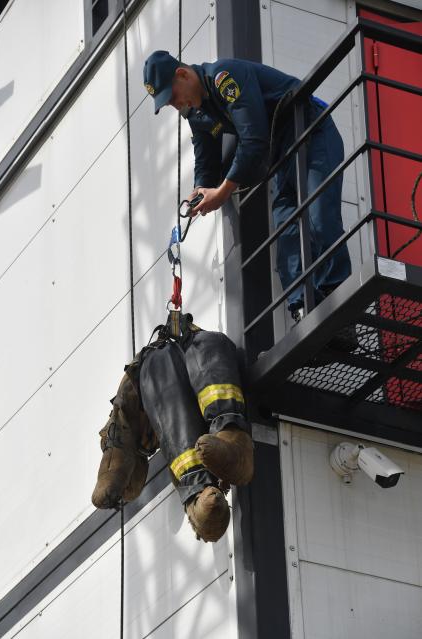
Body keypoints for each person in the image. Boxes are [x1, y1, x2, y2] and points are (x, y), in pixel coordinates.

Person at [143, 50, 352, 322]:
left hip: (311, 130)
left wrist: (222, 193)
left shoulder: (224, 77)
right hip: (280, 153)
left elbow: (253, 140)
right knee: (286, 233)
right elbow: (206, 163)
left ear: (183, 74)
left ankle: (338, 300)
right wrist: (200, 191)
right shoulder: (196, 114)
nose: (174, 104)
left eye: (171, 96)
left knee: (320, 217)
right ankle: (304, 309)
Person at [92, 321, 253, 543]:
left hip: (180, 368)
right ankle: (198, 486)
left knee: (207, 343)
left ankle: (233, 438)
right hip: (163, 380)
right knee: (163, 369)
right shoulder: (145, 379)